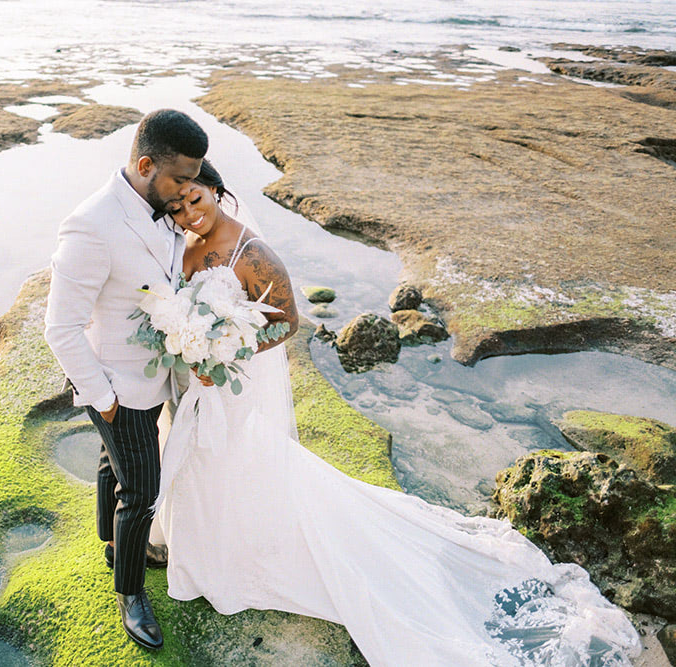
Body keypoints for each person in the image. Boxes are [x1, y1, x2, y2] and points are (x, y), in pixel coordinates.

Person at [154, 159, 643, 666]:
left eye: (197, 200)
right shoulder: (184, 245)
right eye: (178, 206)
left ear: (216, 190)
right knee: (213, 463)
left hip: (233, 383)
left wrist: (226, 352)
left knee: (237, 457)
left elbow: (288, 322)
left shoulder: (252, 252)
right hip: (202, 386)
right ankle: (220, 544)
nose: (190, 213)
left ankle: (246, 549)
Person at [43, 109, 207, 651]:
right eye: (181, 179)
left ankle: (111, 542)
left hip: (154, 376)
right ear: (144, 164)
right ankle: (130, 592)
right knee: (143, 490)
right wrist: (104, 399)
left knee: (113, 463)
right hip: (116, 386)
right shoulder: (92, 224)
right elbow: (60, 328)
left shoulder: (158, 207)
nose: (189, 190)